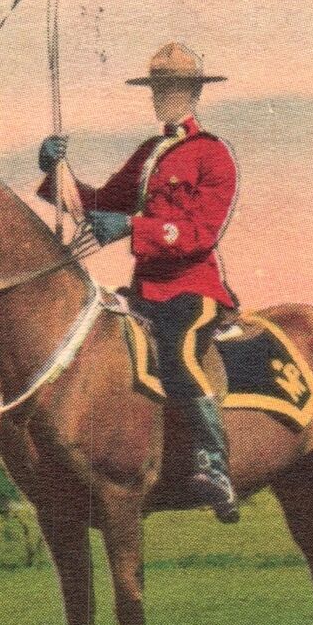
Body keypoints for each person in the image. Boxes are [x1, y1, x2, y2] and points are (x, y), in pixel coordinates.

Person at [37, 41, 240, 522]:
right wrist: (54, 170)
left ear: (193, 93)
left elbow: (199, 234)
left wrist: (132, 226)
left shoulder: (213, 155)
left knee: (179, 351)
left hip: (193, 288)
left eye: (173, 88)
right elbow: (96, 201)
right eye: (158, 89)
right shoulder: (150, 154)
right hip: (144, 293)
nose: (163, 97)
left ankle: (216, 466)